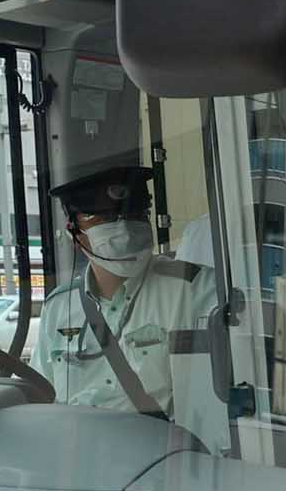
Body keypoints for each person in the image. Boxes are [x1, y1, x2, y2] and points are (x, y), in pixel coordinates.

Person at [32, 156, 207, 416]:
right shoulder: (60, 307)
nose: (124, 228)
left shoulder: (194, 289)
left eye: (135, 215)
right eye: (105, 218)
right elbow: (40, 397)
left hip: (160, 441)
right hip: (75, 439)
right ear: (74, 231)